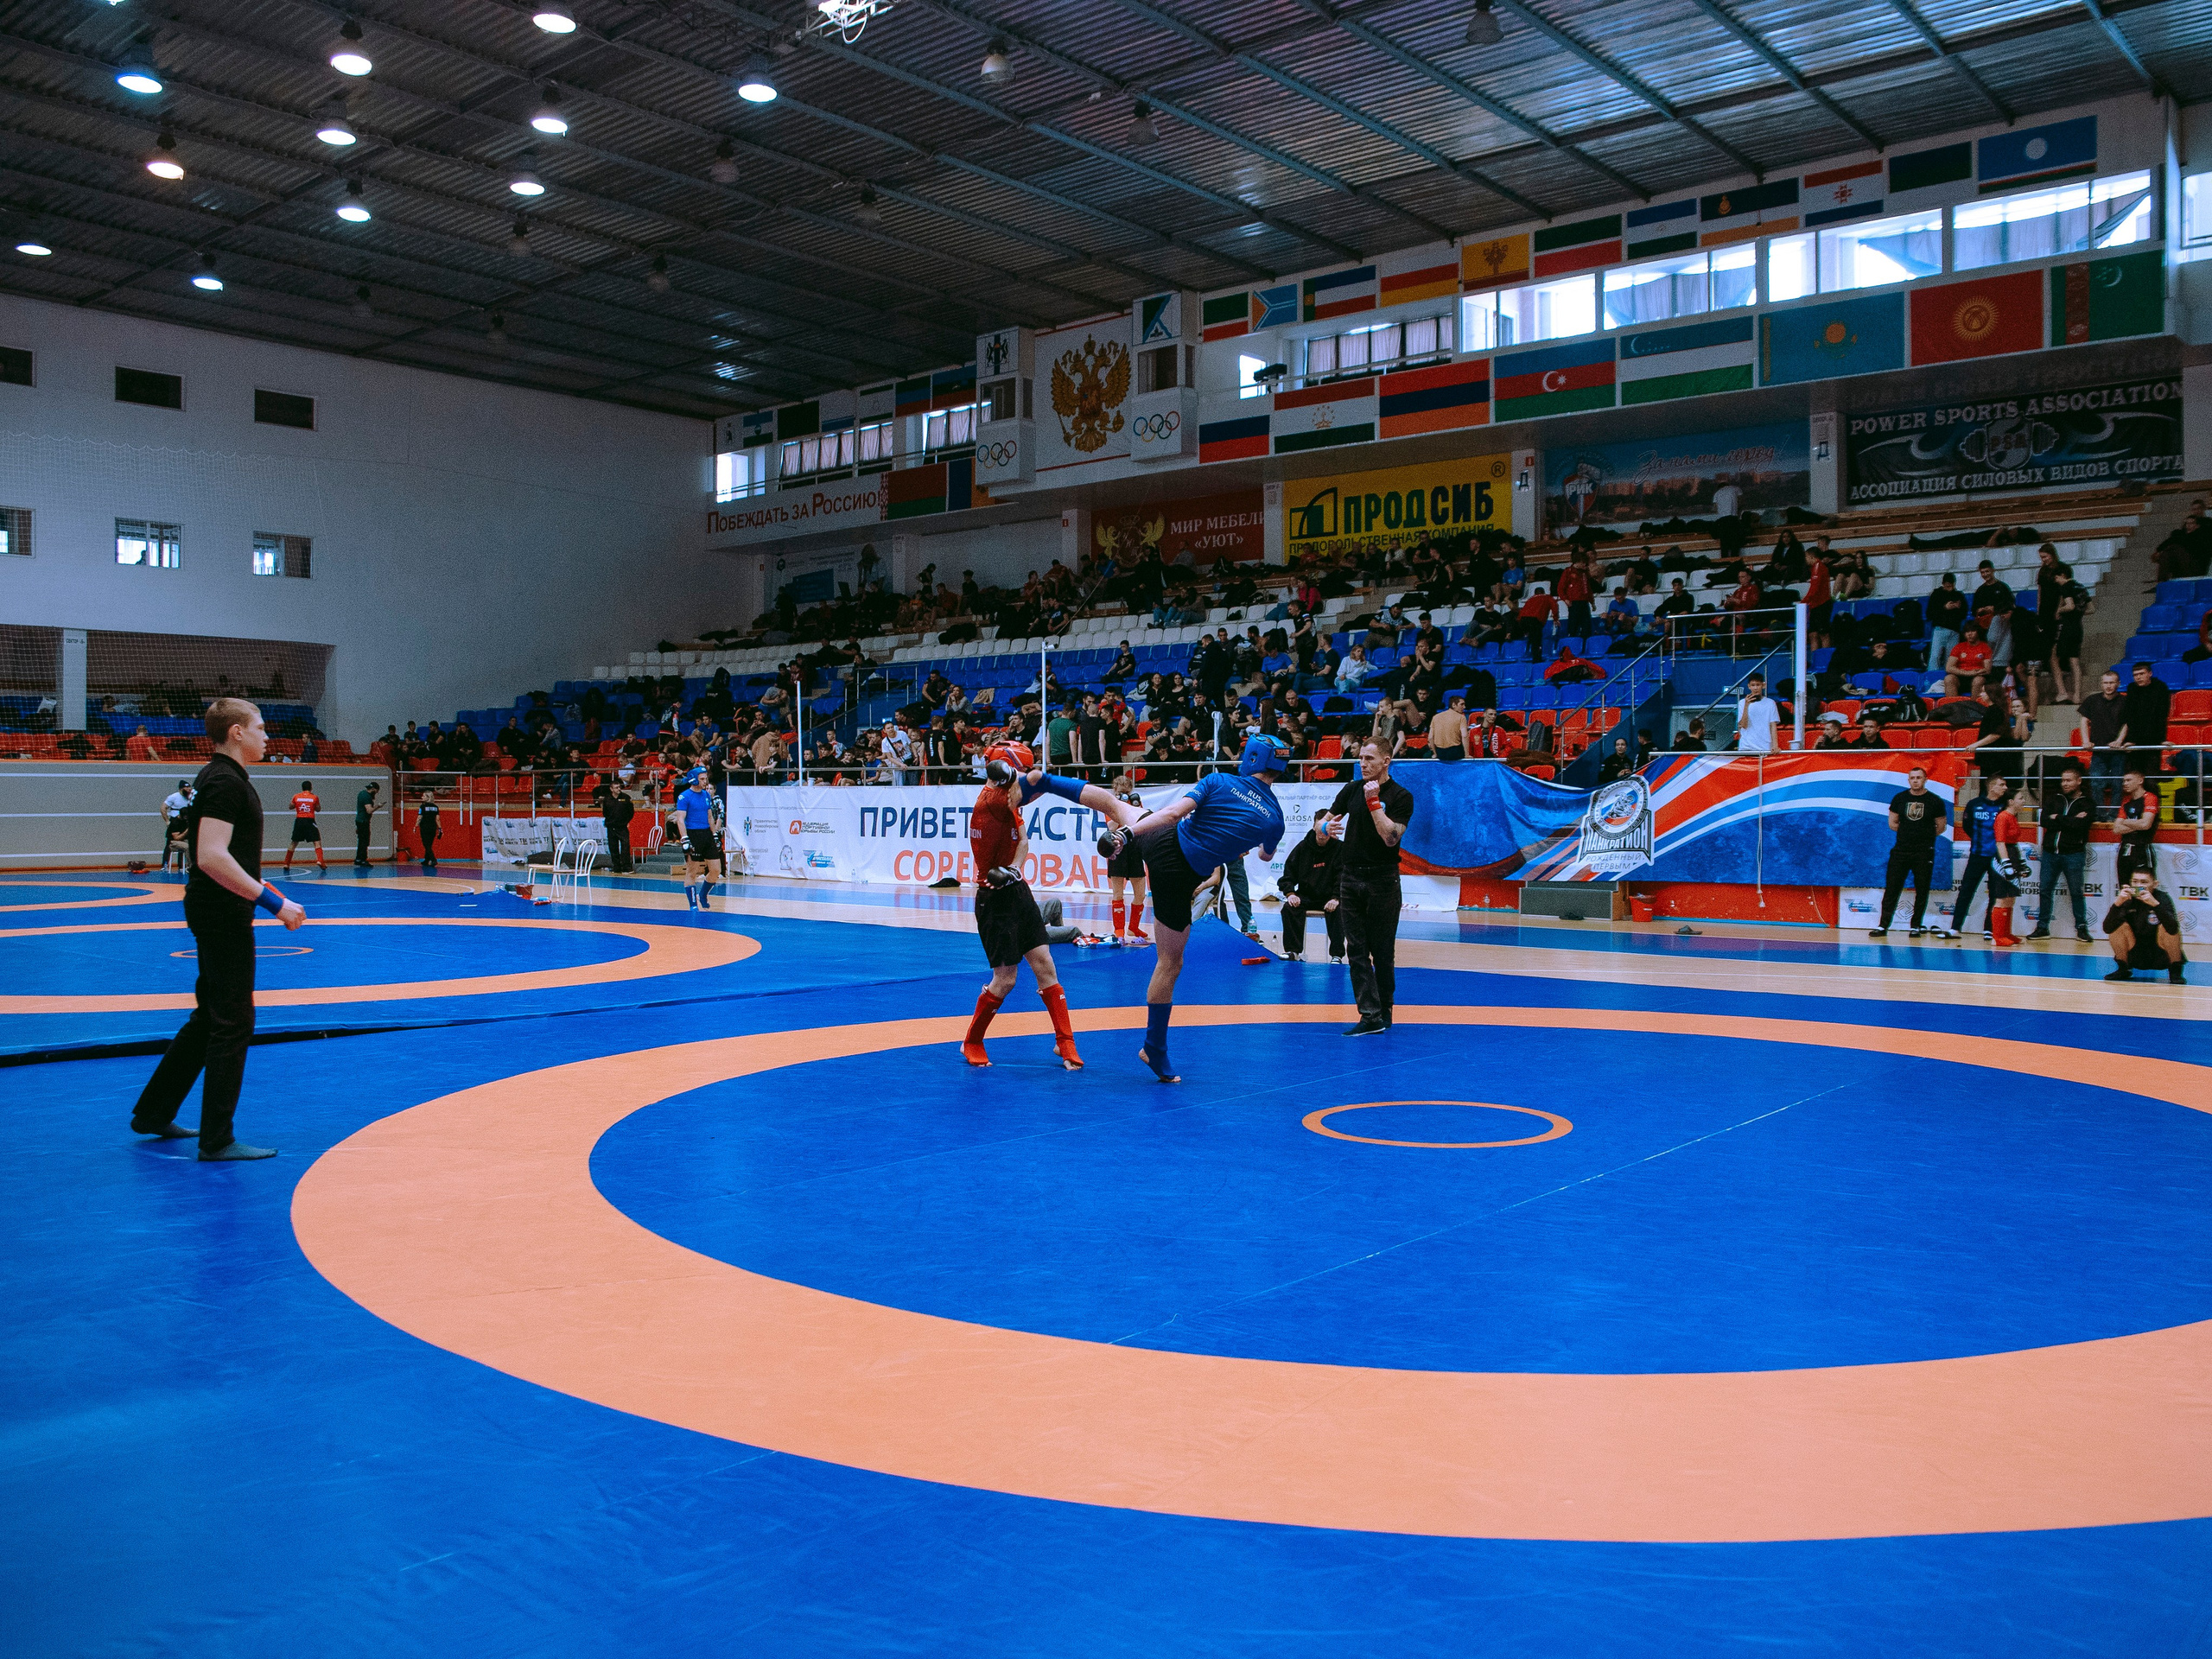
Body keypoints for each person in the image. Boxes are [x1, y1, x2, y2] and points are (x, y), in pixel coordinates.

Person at [127, 698, 304, 1160]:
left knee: (209, 1018)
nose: (268, 736)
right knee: (234, 1022)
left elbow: (224, 857)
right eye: (261, 728)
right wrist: (274, 903)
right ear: (237, 733)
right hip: (223, 913)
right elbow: (211, 856)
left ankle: (152, 1113)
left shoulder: (219, 777)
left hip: (217, 909)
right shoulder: (225, 781)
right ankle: (217, 1139)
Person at [1092, 734, 1287, 1081]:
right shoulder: (1275, 817)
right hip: (1178, 869)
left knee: (1117, 807)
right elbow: (1266, 855)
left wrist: (1126, 835)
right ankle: (1154, 1047)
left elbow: (1171, 814)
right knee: (1169, 963)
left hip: (1166, 846)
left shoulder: (1218, 779)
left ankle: (1039, 781)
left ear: (1252, 759)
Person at [959, 742, 1083, 1071]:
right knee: (1006, 979)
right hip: (993, 897)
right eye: (1020, 773)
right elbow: (1030, 788)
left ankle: (1065, 1042)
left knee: (1045, 965)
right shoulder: (993, 801)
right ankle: (971, 1040)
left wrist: (1015, 869)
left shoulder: (1009, 802)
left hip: (1016, 890)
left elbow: (1024, 841)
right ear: (1007, 772)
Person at [1331, 737, 1415, 1036]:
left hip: (1383, 879)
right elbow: (1324, 822)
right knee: (1355, 948)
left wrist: (1374, 803)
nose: (1362, 764)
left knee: (1382, 951)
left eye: (1369, 759)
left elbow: (1391, 838)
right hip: (1351, 877)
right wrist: (1324, 827)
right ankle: (1370, 1015)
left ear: (1386, 762)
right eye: (1360, 758)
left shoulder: (1401, 796)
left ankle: (1385, 1010)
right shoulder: (1351, 788)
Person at [1934, 774, 2012, 942]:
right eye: (2002, 784)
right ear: (1991, 787)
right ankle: (1955, 928)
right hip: (1977, 855)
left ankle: (1989, 929)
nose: (2005, 788)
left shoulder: (2005, 806)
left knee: (1995, 894)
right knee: (1966, 891)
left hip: (1997, 857)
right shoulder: (1974, 804)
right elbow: (1968, 827)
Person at [1872, 766, 1946, 938]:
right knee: (1892, 888)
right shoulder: (1900, 798)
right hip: (1901, 851)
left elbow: (1940, 827)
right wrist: (1909, 833)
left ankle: (1916, 926)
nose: (1915, 780)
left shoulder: (1935, 801)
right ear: (1908, 780)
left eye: (1919, 777)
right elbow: (1893, 823)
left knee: (1922, 889)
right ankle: (1883, 926)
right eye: (1912, 778)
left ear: (1925, 779)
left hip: (1924, 852)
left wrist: (1922, 835)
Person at [2027, 763, 2094, 943]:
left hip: (2073, 853)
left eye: (2068, 780)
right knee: (2045, 890)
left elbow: (2081, 825)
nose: (2064, 784)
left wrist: (2058, 818)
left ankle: (2081, 928)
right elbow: (2044, 821)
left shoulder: (2087, 802)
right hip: (2050, 853)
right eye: (2062, 780)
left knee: (2076, 892)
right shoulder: (2053, 799)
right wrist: (2069, 820)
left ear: (2079, 781)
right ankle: (2042, 927)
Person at [2102, 867, 2187, 984]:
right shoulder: (2126, 900)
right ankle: (2123, 969)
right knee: (2117, 927)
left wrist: (2155, 905)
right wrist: (2117, 903)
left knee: (2167, 928)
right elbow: (2107, 928)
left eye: (2144, 882)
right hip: (2136, 951)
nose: (2138, 885)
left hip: (2160, 952)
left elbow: (2173, 929)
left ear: (2155, 884)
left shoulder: (2162, 898)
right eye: (2135, 881)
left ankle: (2175, 972)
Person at [1279, 814, 1344, 963]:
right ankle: (1293, 951)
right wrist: (1290, 893)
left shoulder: (1341, 849)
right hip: (1306, 896)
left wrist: (1336, 898)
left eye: (1326, 829)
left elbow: (1343, 877)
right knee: (1289, 908)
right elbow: (1288, 874)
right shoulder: (1302, 847)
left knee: (1340, 910)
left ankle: (1337, 955)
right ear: (1314, 827)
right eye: (1320, 828)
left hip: (1330, 897)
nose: (1322, 833)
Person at [1104, 772, 1150, 944]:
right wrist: (1120, 806)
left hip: (1135, 848)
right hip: (1117, 848)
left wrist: (1134, 806)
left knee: (1141, 893)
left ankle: (1133, 927)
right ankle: (1119, 930)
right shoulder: (1110, 804)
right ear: (1115, 790)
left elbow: (1142, 823)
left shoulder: (1136, 802)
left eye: (1126, 791)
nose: (1124, 794)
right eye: (1121, 791)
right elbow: (1111, 826)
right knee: (1118, 893)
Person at [2082, 668, 2129, 817]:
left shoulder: (2125, 701)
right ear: (2101, 684)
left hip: (2118, 751)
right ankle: (2099, 815)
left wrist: (2119, 741)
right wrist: (2085, 741)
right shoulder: (2092, 700)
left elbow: (2128, 723)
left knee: (2117, 784)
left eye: (2112, 683)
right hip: (2098, 751)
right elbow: (2083, 721)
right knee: (2096, 783)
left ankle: (2114, 815)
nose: (2108, 686)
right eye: (2105, 683)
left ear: (2118, 684)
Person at [674, 769, 723, 911]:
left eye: (706, 778)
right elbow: (680, 820)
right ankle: (693, 904)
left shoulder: (706, 795)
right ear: (694, 780)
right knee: (692, 870)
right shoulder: (684, 797)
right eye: (702, 779)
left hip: (706, 834)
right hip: (693, 835)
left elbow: (710, 817)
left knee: (715, 870)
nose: (705, 782)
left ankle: (703, 895)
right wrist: (684, 839)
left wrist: (714, 834)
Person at [2121, 661, 2171, 779]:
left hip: (2153, 740)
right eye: (2135, 675)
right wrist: (2131, 739)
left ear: (2150, 673)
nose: (2138, 677)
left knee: (2151, 778)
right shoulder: (2132, 688)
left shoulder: (2161, 687)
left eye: (2141, 674)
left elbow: (2161, 715)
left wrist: (2161, 740)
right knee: (2134, 777)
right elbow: (2130, 716)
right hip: (2135, 742)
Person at [2113, 769, 2160, 886]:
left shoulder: (2150, 798)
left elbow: (2146, 825)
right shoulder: (2126, 801)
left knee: (2142, 890)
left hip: (2142, 848)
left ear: (2140, 780)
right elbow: (2116, 829)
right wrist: (2138, 824)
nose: (2125, 783)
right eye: (2124, 781)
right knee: (2124, 888)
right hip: (2124, 849)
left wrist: (2126, 821)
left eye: (2128, 780)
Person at [283, 779, 325, 874]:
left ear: (302, 788)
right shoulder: (314, 797)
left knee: (294, 842)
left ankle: (286, 863)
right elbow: (318, 809)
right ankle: (320, 860)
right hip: (310, 821)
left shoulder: (296, 796)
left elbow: (290, 806)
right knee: (316, 841)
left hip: (299, 821)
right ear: (311, 788)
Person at [1735, 672, 1781, 753]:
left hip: (1765, 747)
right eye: (1753, 685)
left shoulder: (1770, 703)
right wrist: (1746, 705)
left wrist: (1775, 745)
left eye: (1758, 685)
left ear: (1763, 685)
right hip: (1746, 747)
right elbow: (1743, 725)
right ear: (1749, 686)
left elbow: (1773, 726)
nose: (1755, 688)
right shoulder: (1742, 703)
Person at [160, 779, 194, 872]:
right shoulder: (173, 797)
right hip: (175, 822)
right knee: (170, 843)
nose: (188, 789)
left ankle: (182, 866)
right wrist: (167, 821)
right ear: (181, 789)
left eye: (189, 787)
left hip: (184, 823)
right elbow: (163, 808)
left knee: (185, 843)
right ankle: (165, 864)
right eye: (186, 787)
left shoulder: (190, 798)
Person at [1429, 691, 1466, 761]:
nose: (1464, 707)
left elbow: (1430, 737)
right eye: (1462, 704)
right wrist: (1467, 755)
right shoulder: (1461, 717)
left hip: (1440, 753)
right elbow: (1464, 736)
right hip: (1456, 752)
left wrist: (1435, 754)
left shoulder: (1435, 717)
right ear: (1454, 705)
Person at [352, 778, 378, 869]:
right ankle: (363, 859)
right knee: (365, 841)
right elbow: (369, 810)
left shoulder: (361, 794)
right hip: (364, 821)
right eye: (376, 791)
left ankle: (358, 859)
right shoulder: (367, 797)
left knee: (361, 840)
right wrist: (378, 806)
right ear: (373, 789)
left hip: (359, 820)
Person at [416, 790, 442, 873]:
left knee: (426, 844)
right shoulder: (435, 807)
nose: (422, 797)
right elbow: (437, 819)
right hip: (433, 827)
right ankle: (426, 860)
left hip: (425, 827)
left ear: (428, 798)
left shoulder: (422, 807)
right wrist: (440, 828)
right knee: (429, 844)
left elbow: (420, 817)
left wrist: (415, 825)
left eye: (423, 796)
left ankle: (433, 859)